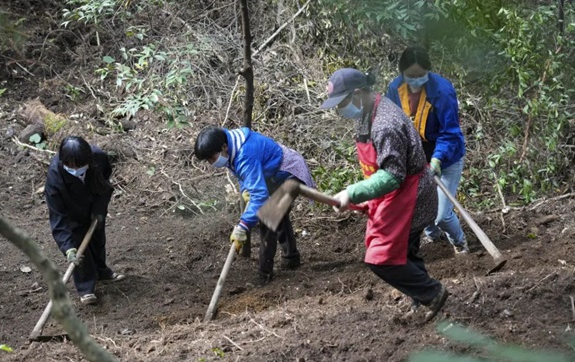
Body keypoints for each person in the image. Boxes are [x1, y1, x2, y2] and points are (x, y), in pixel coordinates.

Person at [321, 68, 448, 320]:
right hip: (397, 194)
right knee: (407, 252)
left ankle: (432, 293)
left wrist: (353, 192)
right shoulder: (368, 112)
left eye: (342, 103)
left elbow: (392, 175)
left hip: (410, 197)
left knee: (381, 259)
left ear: (357, 94)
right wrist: (365, 195)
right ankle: (421, 300)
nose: (339, 110)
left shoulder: (385, 124)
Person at [194, 126, 315, 286]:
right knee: (277, 214)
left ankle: (264, 276)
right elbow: (243, 174)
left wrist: (243, 226)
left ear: (224, 147)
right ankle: (291, 259)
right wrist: (245, 190)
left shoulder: (245, 153)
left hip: (289, 172)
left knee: (268, 216)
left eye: (212, 157)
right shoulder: (231, 145)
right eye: (208, 160)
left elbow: (259, 195)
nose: (211, 162)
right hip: (272, 175)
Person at [386, 46, 469, 255]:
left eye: (420, 75)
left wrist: (438, 159)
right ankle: (433, 236)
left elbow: (450, 132)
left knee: (442, 214)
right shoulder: (395, 90)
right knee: (421, 207)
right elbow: (392, 125)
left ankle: (460, 243)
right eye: (410, 76)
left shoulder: (442, 91)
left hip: (446, 157)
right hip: (416, 158)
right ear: (402, 73)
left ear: (428, 72)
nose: (415, 80)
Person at [45, 136, 124, 305]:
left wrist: (99, 209)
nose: (76, 169)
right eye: (71, 167)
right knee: (79, 250)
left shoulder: (98, 157)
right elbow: (58, 217)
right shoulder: (55, 179)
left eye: (80, 166)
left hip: (94, 202)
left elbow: (105, 179)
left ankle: (102, 272)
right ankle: (86, 288)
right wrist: (68, 248)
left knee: (97, 240)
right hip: (71, 211)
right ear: (64, 162)